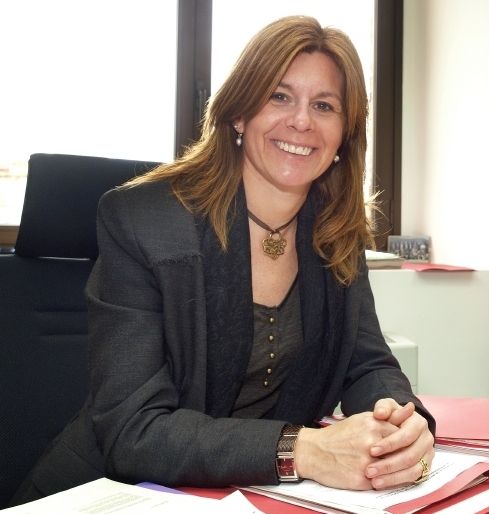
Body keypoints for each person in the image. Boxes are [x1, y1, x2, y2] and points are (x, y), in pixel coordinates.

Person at [11, 15, 435, 505]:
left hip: (249, 495)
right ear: (238, 113)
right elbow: (133, 429)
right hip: (114, 494)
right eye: (279, 96)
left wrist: (402, 425)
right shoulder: (144, 221)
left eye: (324, 105)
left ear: (344, 136)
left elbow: (366, 365)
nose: (302, 120)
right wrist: (304, 450)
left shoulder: (335, 230)